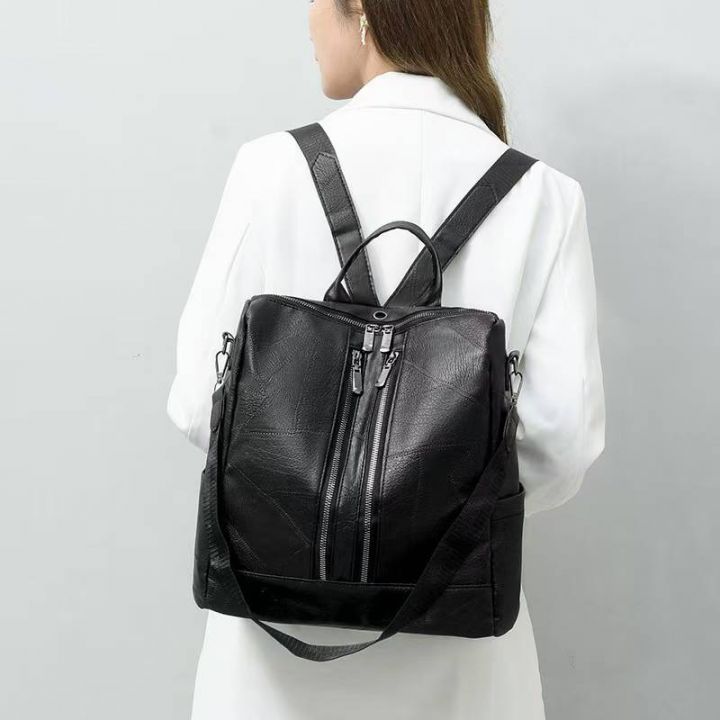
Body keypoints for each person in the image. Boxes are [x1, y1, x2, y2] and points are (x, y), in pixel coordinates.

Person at [166, 0, 606, 717]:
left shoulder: (269, 168)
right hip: (458, 649)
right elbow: (561, 441)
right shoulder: (544, 195)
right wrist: (430, 507)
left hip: (270, 650)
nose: (309, 20)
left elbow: (198, 406)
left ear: (365, 12)